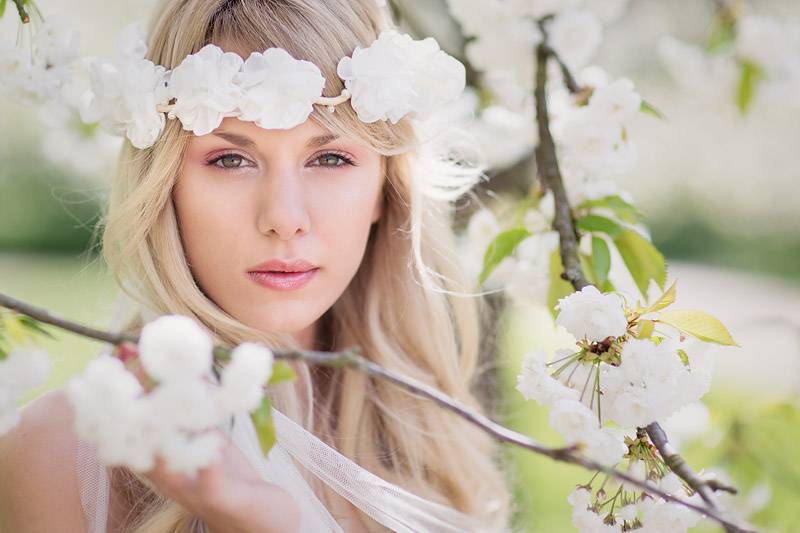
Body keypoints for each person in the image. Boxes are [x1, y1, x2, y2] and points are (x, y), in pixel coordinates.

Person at [0, 0, 514, 531]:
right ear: (166, 185)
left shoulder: (429, 432)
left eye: (330, 158)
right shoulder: (60, 449)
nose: (283, 219)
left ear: (387, 188)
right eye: (230, 160)